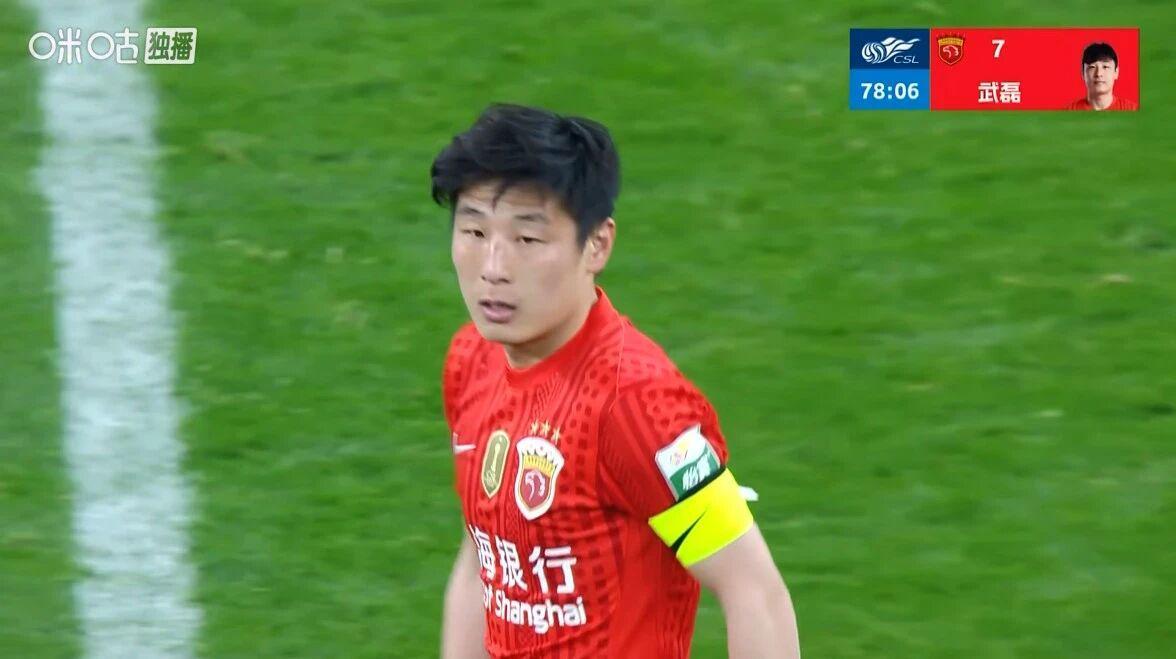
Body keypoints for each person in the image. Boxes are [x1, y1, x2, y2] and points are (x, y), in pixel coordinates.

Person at [433, 104, 801, 658]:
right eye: (475, 231)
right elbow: (484, 559)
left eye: (527, 240)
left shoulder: (636, 402)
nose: (493, 267)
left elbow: (754, 590)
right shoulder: (472, 361)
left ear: (597, 245)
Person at [1065, 42, 1138, 111]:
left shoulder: (1132, 110)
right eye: (1092, 67)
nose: (1099, 74)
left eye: (1105, 67)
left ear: (1116, 72)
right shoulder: (1068, 113)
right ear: (1083, 73)